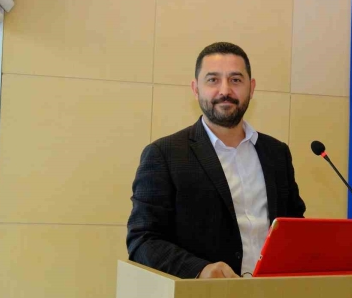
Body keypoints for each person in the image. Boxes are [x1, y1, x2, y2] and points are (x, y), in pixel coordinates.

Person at [127, 42, 306, 279]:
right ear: (196, 89)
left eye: (235, 80)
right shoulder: (164, 154)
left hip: (273, 295)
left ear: (251, 88)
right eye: (213, 80)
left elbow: (294, 228)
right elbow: (142, 240)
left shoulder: (276, 153)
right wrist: (199, 270)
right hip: (204, 297)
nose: (225, 91)